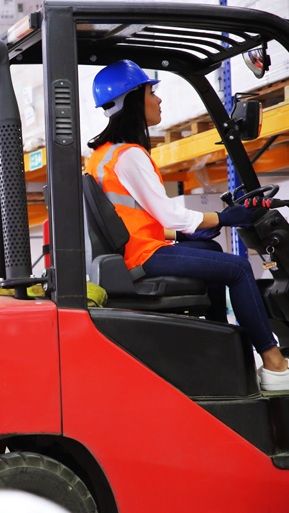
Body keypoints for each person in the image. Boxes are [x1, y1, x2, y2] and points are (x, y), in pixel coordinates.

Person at [86, 59, 289, 391]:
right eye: (153, 92)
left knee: (209, 249)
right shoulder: (130, 155)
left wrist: (189, 231)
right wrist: (225, 217)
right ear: (135, 99)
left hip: (135, 248)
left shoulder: (102, 155)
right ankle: (274, 363)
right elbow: (167, 213)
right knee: (237, 268)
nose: (159, 99)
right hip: (144, 255)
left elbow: (131, 216)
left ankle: (220, 351)